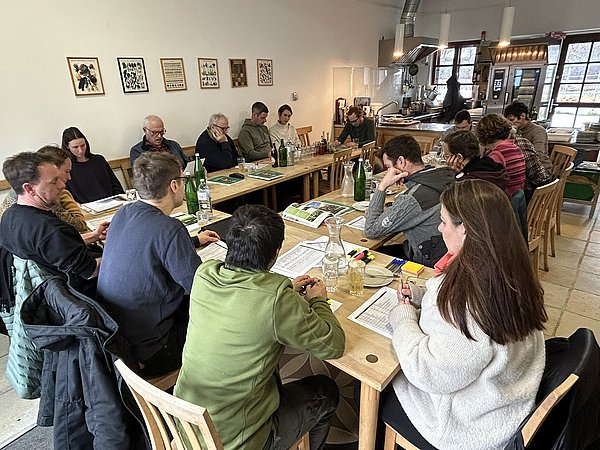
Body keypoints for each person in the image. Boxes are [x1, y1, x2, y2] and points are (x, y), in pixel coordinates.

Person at [379, 179, 546, 450]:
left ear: (465, 229)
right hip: (505, 397)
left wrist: (403, 316)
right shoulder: (509, 267)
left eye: (444, 221)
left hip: (469, 427)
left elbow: (427, 372)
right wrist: (425, 296)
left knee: (372, 388)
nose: (439, 228)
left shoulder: (466, 300)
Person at [174, 204, 345, 450]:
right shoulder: (276, 300)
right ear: (275, 253)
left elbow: (248, 296)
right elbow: (333, 345)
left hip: (188, 424)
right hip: (237, 440)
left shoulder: (204, 274)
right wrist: (318, 300)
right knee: (326, 390)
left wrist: (284, 290)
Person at [97, 153, 219, 376]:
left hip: (118, 340)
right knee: (223, 319)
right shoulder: (170, 229)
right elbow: (202, 290)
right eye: (182, 180)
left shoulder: (124, 212)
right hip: (155, 350)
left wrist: (192, 241)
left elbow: (146, 246)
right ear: (174, 185)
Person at [0, 152, 103, 296]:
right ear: (29, 188)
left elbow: (55, 248)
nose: (62, 185)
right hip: (78, 297)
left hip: (39, 296)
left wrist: (94, 236)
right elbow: (91, 271)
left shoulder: (10, 216)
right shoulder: (50, 229)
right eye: (54, 181)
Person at [365, 135, 455, 267]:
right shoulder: (440, 177)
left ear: (401, 161)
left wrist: (382, 186)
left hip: (425, 261)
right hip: (442, 252)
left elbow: (371, 230)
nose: (387, 173)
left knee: (368, 256)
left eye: (389, 167)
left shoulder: (411, 198)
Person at [0, 146, 88, 233]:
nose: (69, 177)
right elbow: (79, 225)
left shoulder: (18, 196)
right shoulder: (42, 199)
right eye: (67, 171)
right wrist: (63, 194)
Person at [62, 127, 124, 203]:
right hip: (86, 209)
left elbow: (116, 186)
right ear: (67, 147)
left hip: (111, 203)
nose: (80, 150)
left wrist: (117, 201)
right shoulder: (67, 168)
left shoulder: (99, 160)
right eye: (75, 147)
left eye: (83, 145)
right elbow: (68, 197)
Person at [476, 113, 526, 197]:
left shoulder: (497, 155)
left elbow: (489, 184)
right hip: (519, 199)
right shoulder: (515, 147)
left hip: (505, 201)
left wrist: (481, 154)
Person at [443, 130, 509, 193]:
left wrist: (450, 174)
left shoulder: (466, 183)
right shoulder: (494, 169)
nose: (446, 160)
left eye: (446, 156)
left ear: (459, 157)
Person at [504, 101, 550, 165]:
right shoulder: (514, 130)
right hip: (520, 164)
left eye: (512, 120)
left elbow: (538, 154)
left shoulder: (538, 131)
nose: (510, 123)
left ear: (522, 116)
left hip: (539, 167)